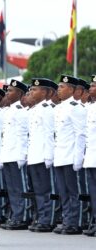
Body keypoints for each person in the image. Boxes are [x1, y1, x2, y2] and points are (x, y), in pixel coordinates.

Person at [53, 75, 86, 235]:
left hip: (71, 156)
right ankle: (67, 220)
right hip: (60, 156)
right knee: (63, 192)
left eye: (62, 87)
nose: (59, 89)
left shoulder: (76, 108)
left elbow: (80, 135)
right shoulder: (58, 108)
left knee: (73, 192)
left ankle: (76, 222)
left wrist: (78, 158)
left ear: (72, 90)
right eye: (58, 86)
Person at [27, 78, 57, 232]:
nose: (31, 92)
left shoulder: (48, 110)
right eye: (31, 89)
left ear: (46, 92)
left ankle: (48, 219)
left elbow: (49, 135)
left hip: (44, 155)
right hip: (34, 155)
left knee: (47, 190)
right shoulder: (34, 110)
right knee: (38, 190)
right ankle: (41, 217)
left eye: (35, 89)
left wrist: (48, 156)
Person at [0, 79, 30, 230]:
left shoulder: (21, 112)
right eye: (8, 90)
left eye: (11, 91)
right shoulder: (9, 111)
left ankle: (22, 217)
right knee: (11, 188)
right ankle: (15, 215)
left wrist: (22, 155)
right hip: (7, 154)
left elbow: (23, 135)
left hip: (17, 155)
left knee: (20, 188)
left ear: (19, 93)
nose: (7, 93)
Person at [83, 75, 96, 237]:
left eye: (93, 86)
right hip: (91, 156)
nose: (91, 88)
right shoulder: (90, 108)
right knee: (93, 191)